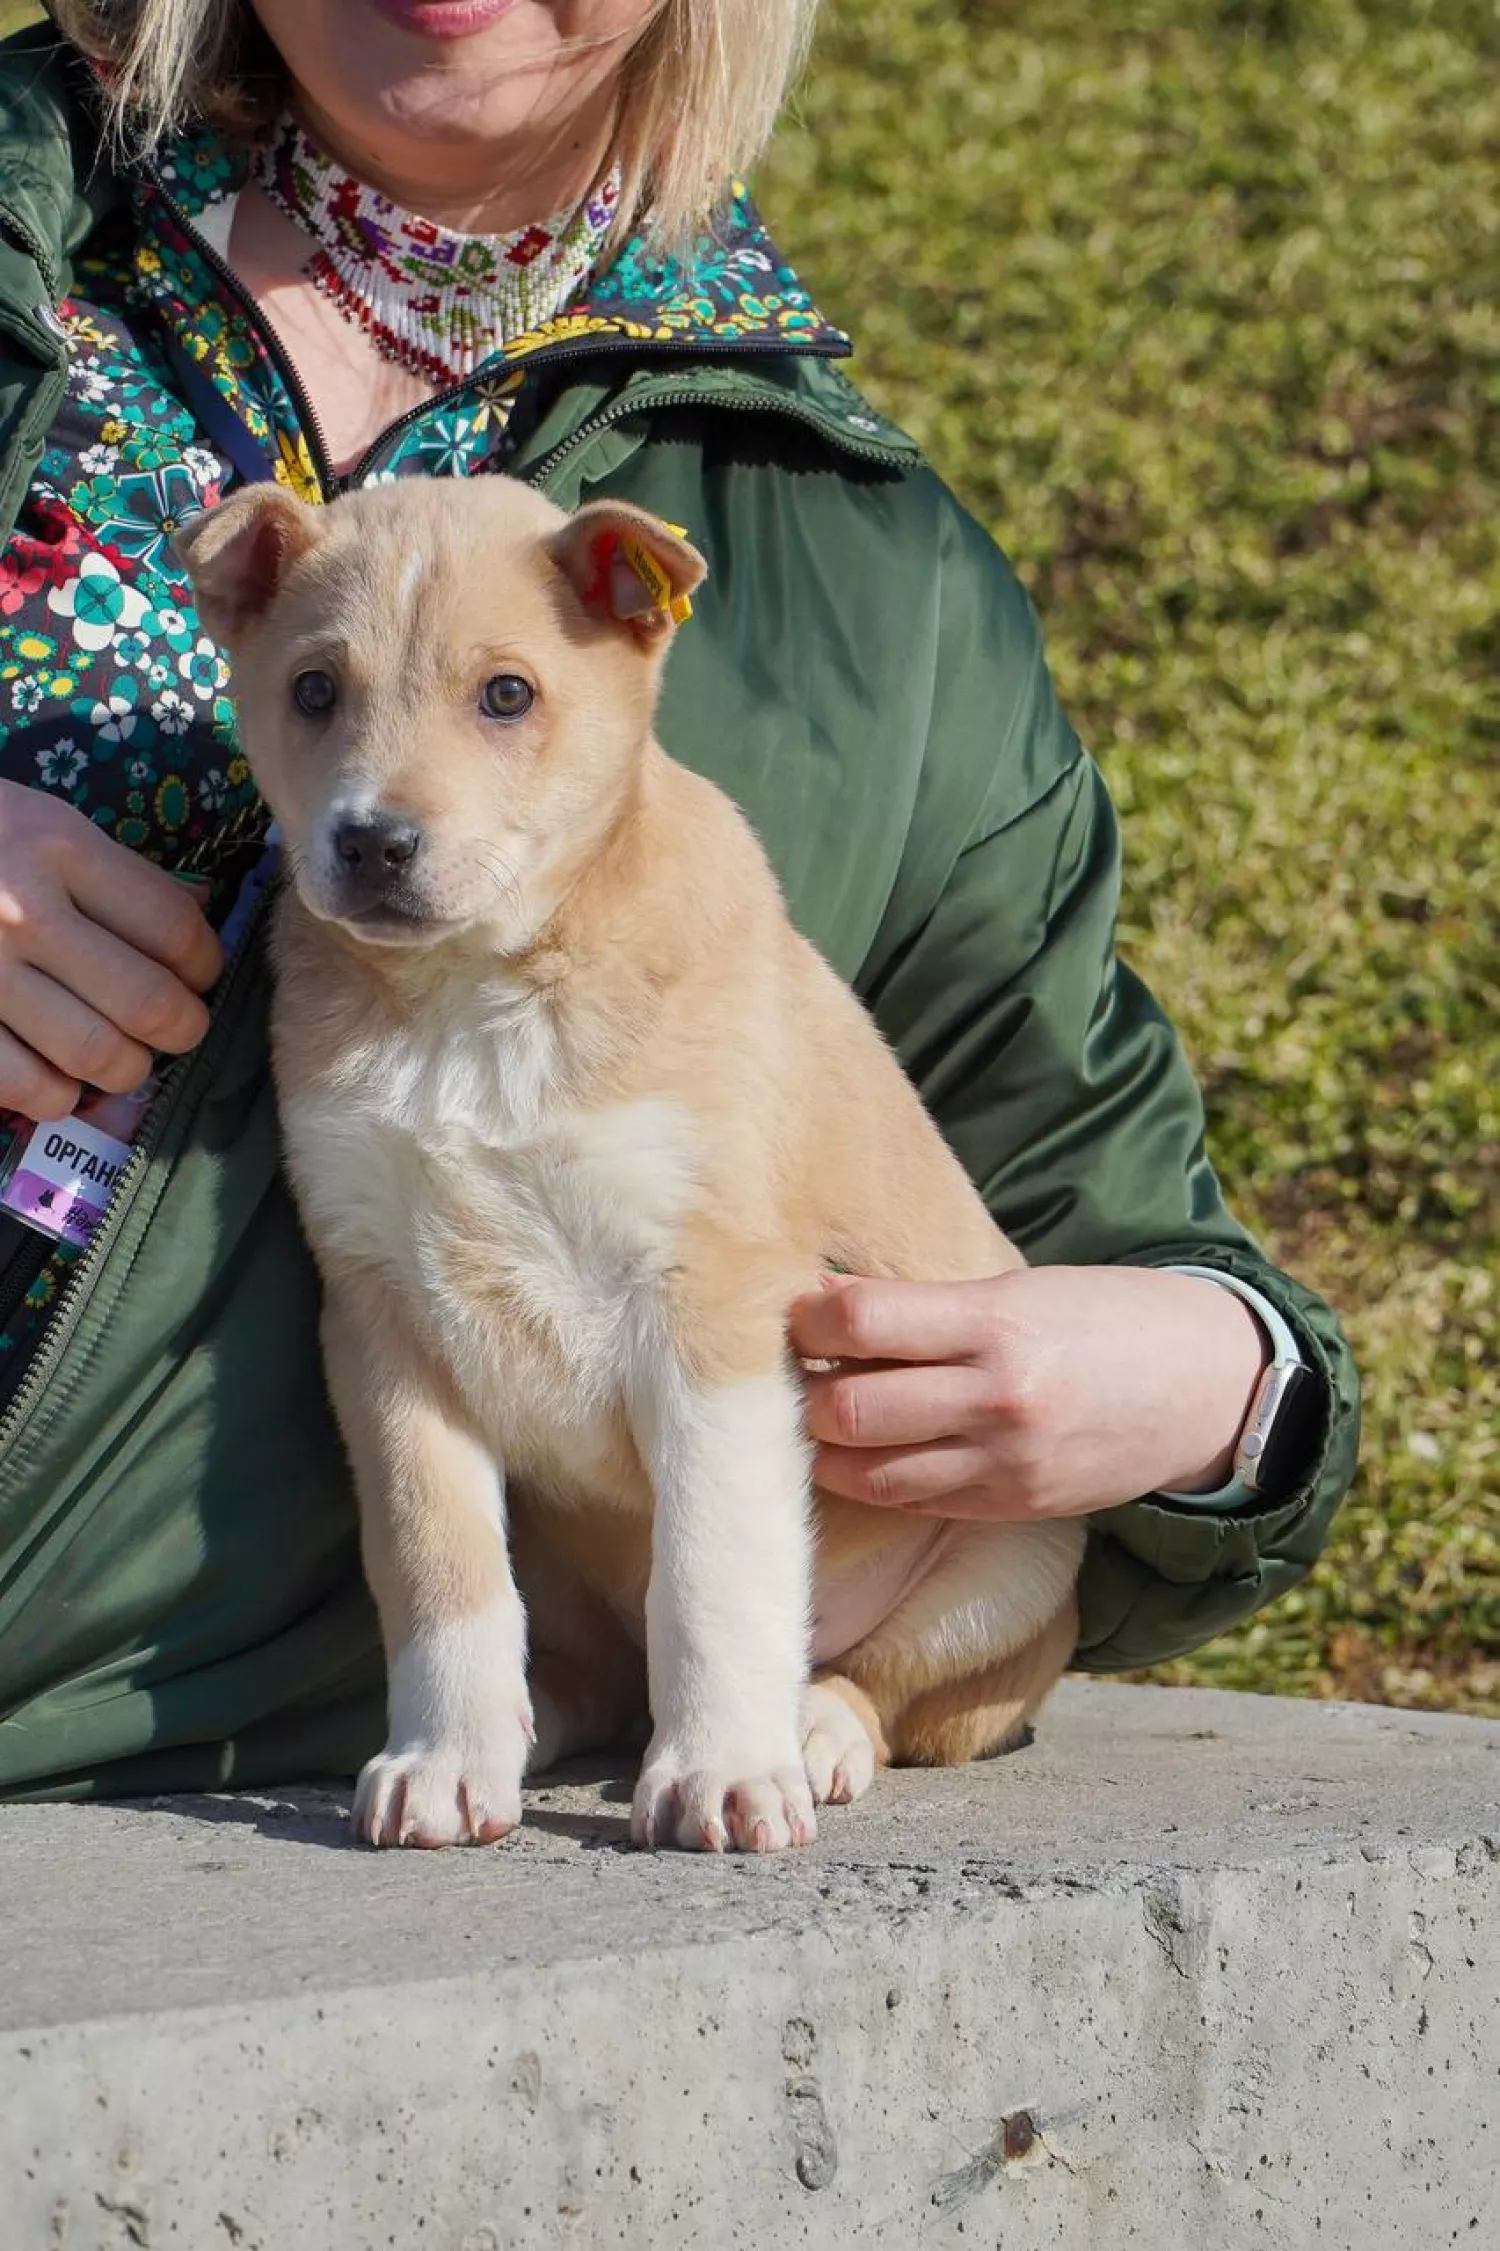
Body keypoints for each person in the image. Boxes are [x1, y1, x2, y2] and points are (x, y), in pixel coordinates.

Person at [0, 0, 1359, 1800]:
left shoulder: (863, 566)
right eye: (321, 698)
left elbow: (1090, 1201)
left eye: (501, 698)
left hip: (309, 1766)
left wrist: (1226, 1377)